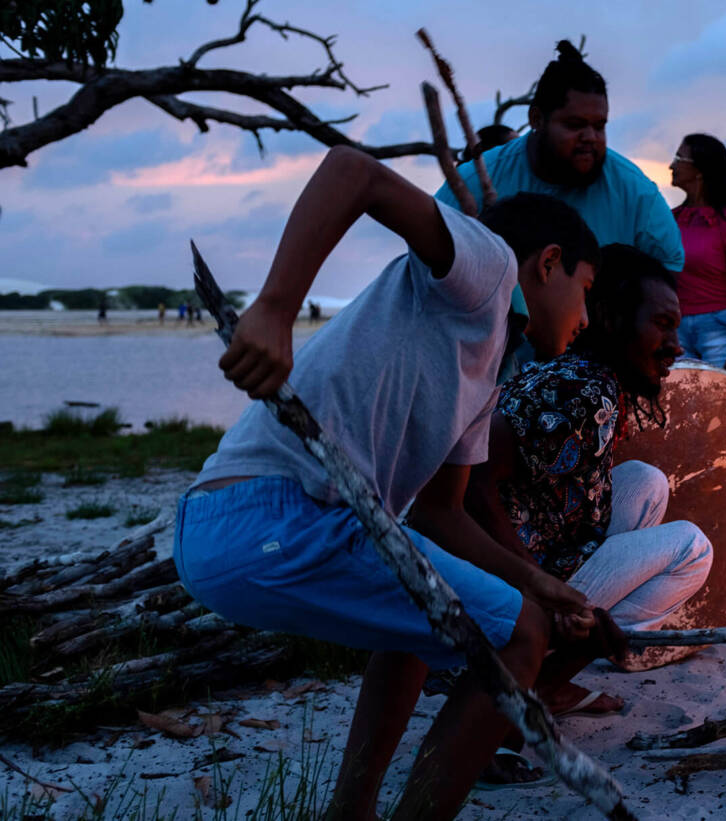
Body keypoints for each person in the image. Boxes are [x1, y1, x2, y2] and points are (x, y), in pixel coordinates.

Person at [174, 145, 604, 820]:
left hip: (226, 526)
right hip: (272, 512)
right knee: (521, 637)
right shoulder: (489, 268)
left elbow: (441, 515)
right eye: (588, 289)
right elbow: (354, 171)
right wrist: (276, 309)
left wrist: (539, 582)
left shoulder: (483, 375)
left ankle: (352, 813)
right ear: (549, 264)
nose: (587, 318)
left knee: (423, 610)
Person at [468, 245, 711, 726]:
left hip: (533, 544)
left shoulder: (584, 374)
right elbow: (474, 486)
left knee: (646, 482)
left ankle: (551, 667)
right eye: (662, 325)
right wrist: (540, 590)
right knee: (693, 548)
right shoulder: (585, 390)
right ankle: (538, 683)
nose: (676, 345)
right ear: (611, 317)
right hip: (503, 582)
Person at [436, 40, 684, 271]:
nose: (591, 137)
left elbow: (668, 273)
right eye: (575, 125)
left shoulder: (636, 194)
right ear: (536, 119)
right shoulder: (474, 183)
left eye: (599, 126)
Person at [669, 133, 726, 377]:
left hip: (719, 333)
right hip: (678, 332)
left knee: (723, 411)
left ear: (699, 170)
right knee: (682, 412)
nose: (671, 165)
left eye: (678, 158)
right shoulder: (671, 219)